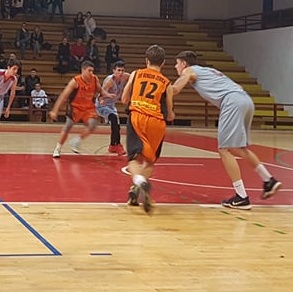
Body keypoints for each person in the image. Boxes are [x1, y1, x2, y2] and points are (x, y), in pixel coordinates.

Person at [172, 51, 281, 209]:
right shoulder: (209, 70)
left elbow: (176, 89)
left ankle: (241, 196)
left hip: (232, 102)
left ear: (184, 63)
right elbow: (238, 86)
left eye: (177, 63)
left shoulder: (189, 70)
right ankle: (269, 180)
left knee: (223, 149)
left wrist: (164, 91)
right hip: (246, 100)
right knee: (238, 148)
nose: (175, 66)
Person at [121, 47, 174, 212]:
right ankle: (137, 188)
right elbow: (170, 114)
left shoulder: (136, 74)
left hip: (137, 117)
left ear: (146, 60)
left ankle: (139, 182)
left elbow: (124, 99)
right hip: (157, 123)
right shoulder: (166, 83)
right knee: (150, 161)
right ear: (163, 63)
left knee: (133, 159)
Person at [49, 60, 106, 158]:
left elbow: (101, 91)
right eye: (89, 71)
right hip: (75, 107)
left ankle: (77, 141)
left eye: (92, 71)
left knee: (93, 124)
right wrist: (55, 110)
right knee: (68, 126)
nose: (91, 73)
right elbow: (63, 96)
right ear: (83, 70)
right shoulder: (75, 81)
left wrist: (103, 97)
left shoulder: (95, 79)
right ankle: (58, 148)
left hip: (88, 107)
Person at [97, 59, 130, 156]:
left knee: (116, 125)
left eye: (122, 70)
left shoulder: (125, 77)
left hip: (111, 105)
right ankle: (118, 145)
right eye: (118, 70)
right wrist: (102, 99)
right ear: (114, 71)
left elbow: (135, 76)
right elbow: (100, 94)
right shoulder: (110, 81)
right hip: (102, 105)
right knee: (114, 119)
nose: (120, 73)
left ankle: (112, 145)